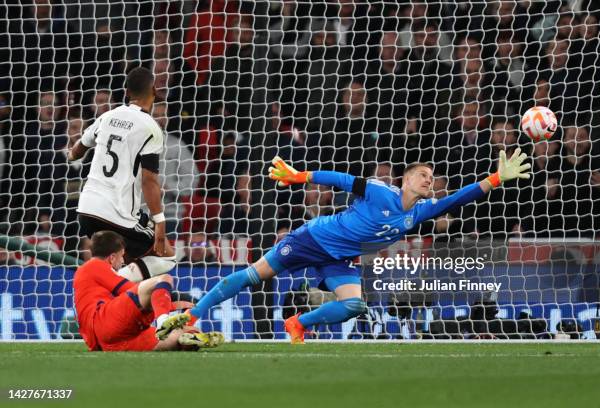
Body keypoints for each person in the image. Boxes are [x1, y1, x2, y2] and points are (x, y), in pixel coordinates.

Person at [169, 150, 531, 344]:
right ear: (405, 179)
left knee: (354, 304)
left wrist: (496, 178)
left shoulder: (419, 213)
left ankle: (299, 322)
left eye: (431, 177)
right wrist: (301, 177)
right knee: (253, 276)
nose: (428, 180)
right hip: (312, 239)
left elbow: (457, 200)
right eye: (422, 174)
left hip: (342, 257)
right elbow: (342, 180)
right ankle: (194, 313)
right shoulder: (379, 191)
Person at [68, 67, 176, 283]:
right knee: (167, 257)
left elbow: (75, 153)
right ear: (154, 91)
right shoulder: (150, 128)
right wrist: (160, 223)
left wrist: (73, 152)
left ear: (126, 92)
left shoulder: (108, 116)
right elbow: (149, 180)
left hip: (87, 210)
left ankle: (117, 295)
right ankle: (113, 283)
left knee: (129, 262)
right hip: (118, 214)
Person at [73, 231, 223, 351]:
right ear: (112, 257)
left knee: (188, 331)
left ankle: (185, 340)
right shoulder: (94, 266)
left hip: (108, 342)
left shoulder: (91, 275)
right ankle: (162, 321)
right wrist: (172, 302)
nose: (123, 261)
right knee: (163, 279)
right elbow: (133, 291)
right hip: (105, 323)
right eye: (121, 256)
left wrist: (169, 303)